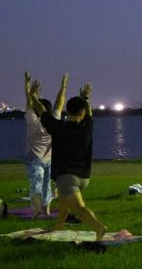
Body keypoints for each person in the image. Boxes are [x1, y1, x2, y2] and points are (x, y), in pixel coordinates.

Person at [29, 77, 107, 240]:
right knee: (64, 205)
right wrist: (86, 98)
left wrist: (32, 95)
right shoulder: (88, 128)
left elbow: (42, 110)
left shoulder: (58, 128)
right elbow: (89, 114)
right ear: (83, 112)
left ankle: (98, 228)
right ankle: (57, 227)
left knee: (79, 208)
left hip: (66, 177)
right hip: (84, 177)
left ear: (67, 111)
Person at [23, 71, 65, 218]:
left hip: (34, 159)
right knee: (45, 185)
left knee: (37, 185)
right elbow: (60, 102)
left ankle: (37, 211)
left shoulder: (33, 121)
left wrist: (29, 87)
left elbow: (30, 103)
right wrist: (63, 87)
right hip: (48, 159)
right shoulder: (53, 120)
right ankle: (44, 210)